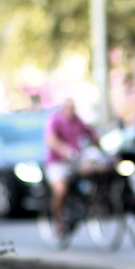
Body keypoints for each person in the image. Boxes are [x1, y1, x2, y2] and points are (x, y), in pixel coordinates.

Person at [44, 97, 99, 232]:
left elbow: (93, 137)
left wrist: (103, 151)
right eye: (68, 107)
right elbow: (51, 140)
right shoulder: (55, 120)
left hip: (75, 161)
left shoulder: (78, 121)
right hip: (57, 163)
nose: (71, 110)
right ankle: (57, 221)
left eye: (73, 108)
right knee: (60, 190)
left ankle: (86, 203)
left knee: (95, 170)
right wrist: (65, 150)